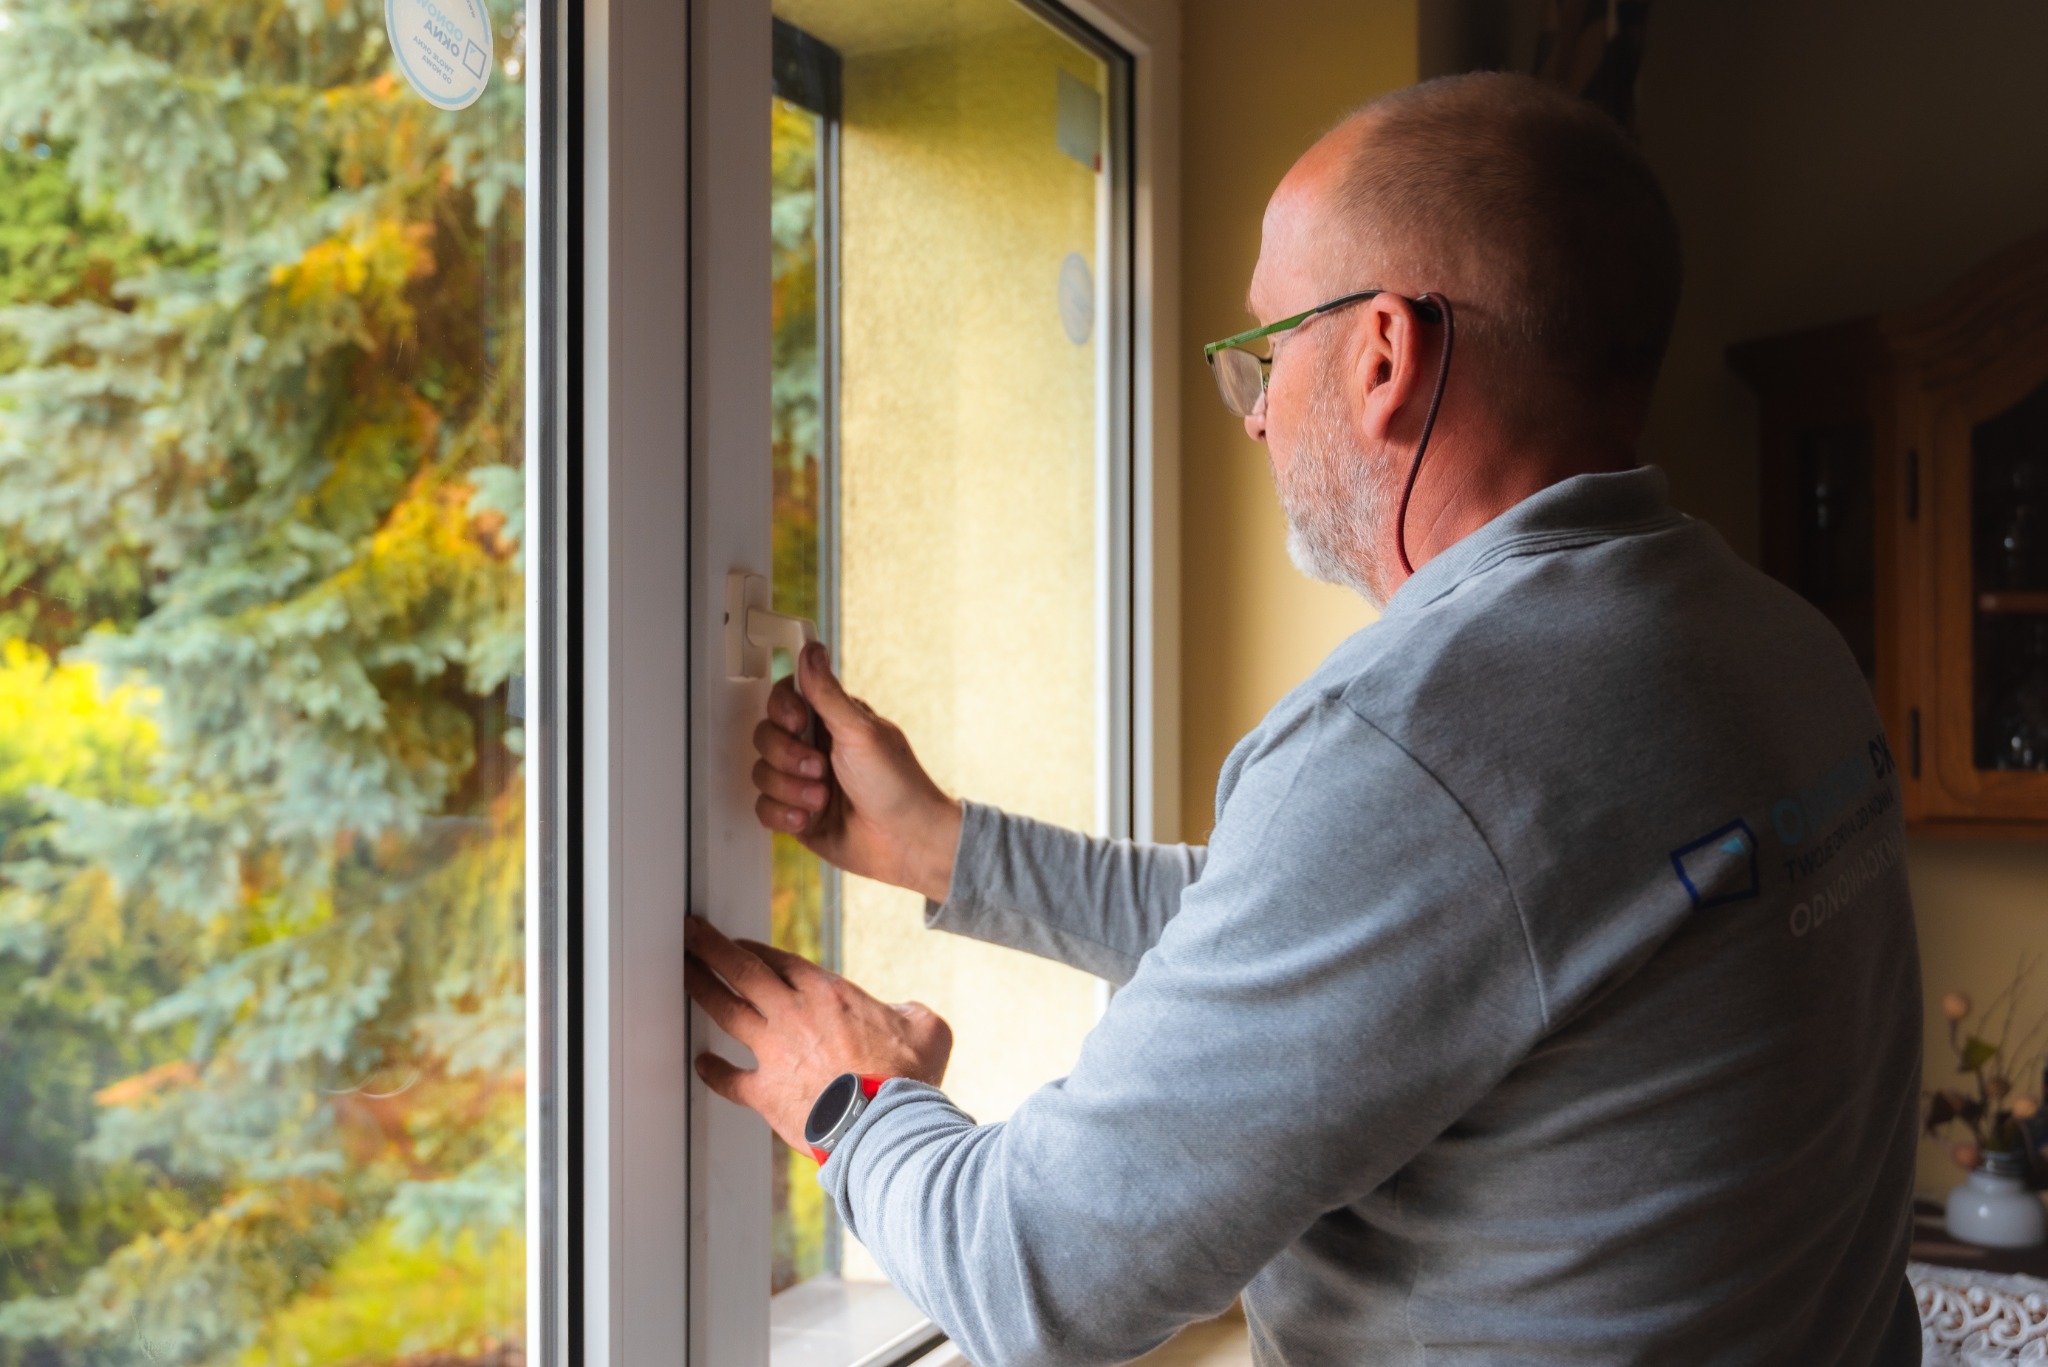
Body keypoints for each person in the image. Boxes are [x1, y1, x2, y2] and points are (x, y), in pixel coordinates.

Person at [683, 71, 1923, 1365]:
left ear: (1386, 353)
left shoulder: (1426, 741)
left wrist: (855, 1095)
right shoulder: (1777, 642)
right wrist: (942, 847)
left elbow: (1036, 1276)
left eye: (1266, 350)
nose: (1260, 410)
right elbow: (1351, 949)